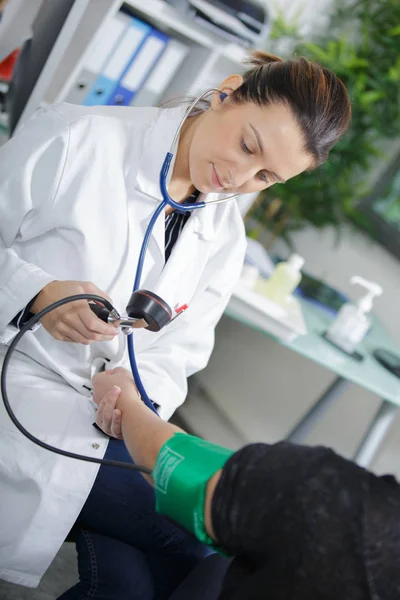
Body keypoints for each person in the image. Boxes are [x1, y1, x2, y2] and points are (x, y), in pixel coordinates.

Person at [0, 51, 351, 596]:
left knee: (132, 584)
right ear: (227, 92)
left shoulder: (224, 236)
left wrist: (133, 394)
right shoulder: (77, 137)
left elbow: (179, 354)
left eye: (265, 175)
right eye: (247, 145)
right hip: (19, 388)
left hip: (107, 422)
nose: (238, 176)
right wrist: (36, 294)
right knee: (204, 546)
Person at [91, 367, 400, 600]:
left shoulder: (324, 499)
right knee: (128, 580)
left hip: (115, 402)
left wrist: (126, 401)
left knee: (201, 551)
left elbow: (175, 464)